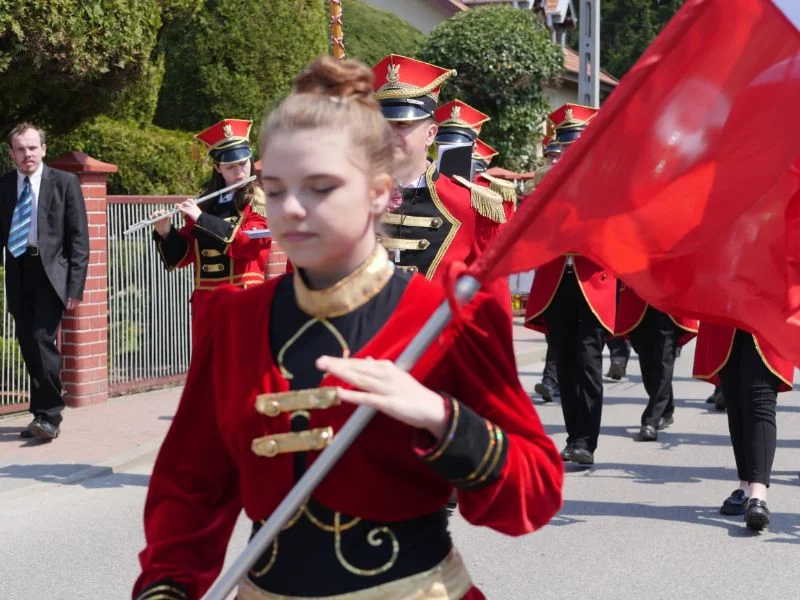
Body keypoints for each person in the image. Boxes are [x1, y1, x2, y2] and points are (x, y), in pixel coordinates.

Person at [133, 56, 563, 600]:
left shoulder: (449, 318)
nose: (292, 209)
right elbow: (188, 490)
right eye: (277, 187)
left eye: (321, 187)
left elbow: (534, 495)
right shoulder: (234, 321)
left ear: (380, 192)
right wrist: (166, 588)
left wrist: (441, 418)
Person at [524, 104, 616, 466]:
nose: (567, 154)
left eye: (575, 146)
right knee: (564, 361)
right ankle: (572, 435)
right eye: (564, 147)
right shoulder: (545, 182)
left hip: (593, 282)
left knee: (588, 362)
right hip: (554, 282)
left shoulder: (605, 183)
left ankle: (585, 441)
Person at [371, 55, 507, 290]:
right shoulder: (349, 198)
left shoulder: (469, 206)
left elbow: (489, 298)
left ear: (431, 134)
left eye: (402, 125)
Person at [1, 123, 89, 440]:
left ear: (43, 149)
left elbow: (79, 239)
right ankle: (41, 415)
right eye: (21, 149)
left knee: (41, 340)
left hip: (52, 274)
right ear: (12, 153)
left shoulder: (65, 183)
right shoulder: (5, 186)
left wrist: (75, 287)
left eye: (32, 147)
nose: (27, 154)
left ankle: (50, 416)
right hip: (18, 271)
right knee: (29, 344)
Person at [151, 119, 271, 341]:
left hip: (242, 297)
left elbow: (248, 245)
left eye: (243, 163)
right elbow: (185, 256)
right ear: (217, 168)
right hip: (206, 302)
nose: (240, 172)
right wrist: (166, 232)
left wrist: (201, 219)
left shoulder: (258, 201)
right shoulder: (206, 204)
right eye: (230, 167)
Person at [693, 324, 793, 531]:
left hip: (768, 309)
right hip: (727, 311)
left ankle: (758, 495)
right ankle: (745, 486)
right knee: (735, 400)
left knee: (760, 399)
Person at [615, 286, 698, 441]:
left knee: (662, 361)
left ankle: (650, 420)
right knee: (648, 364)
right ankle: (666, 409)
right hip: (638, 298)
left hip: (666, 296)